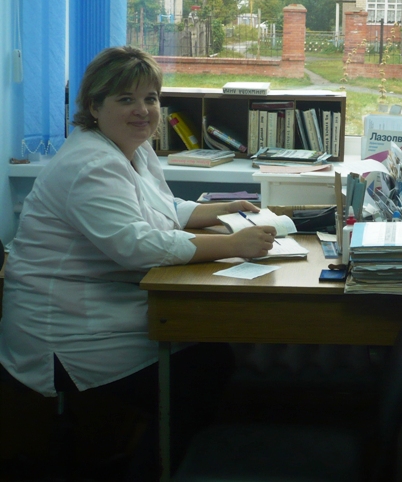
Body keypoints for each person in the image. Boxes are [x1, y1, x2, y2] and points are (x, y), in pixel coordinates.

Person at [0, 46, 277, 477]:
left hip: (103, 304)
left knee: (210, 358)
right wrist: (233, 245)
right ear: (94, 106)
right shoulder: (90, 164)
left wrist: (223, 209)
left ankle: (161, 461)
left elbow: (162, 210)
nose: (143, 111)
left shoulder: (133, 149)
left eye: (150, 98)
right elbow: (138, 245)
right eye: (126, 99)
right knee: (198, 374)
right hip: (64, 331)